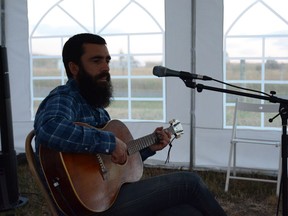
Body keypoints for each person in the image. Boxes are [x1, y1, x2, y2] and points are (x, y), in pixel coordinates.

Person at [34, 33, 227, 216]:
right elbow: (49, 129)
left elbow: (116, 165)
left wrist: (149, 148)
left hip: (109, 197)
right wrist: (110, 143)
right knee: (189, 183)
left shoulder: (97, 109)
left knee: (188, 213)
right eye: (96, 60)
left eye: (107, 60)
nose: (106, 67)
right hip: (89, 207)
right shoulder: (65, 98)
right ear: (74, 68)